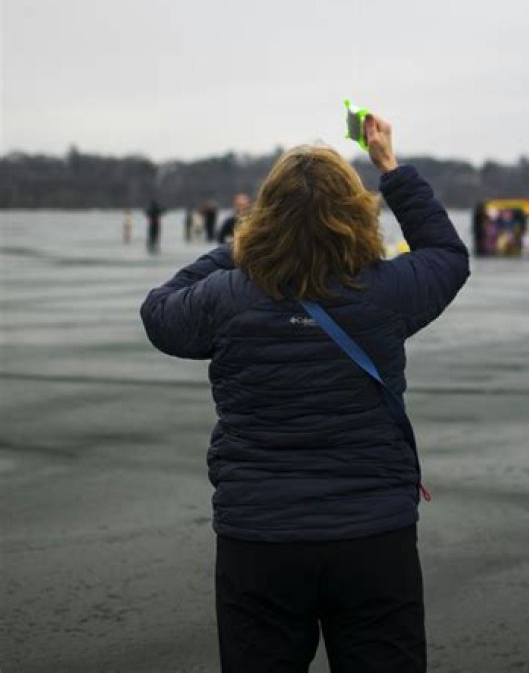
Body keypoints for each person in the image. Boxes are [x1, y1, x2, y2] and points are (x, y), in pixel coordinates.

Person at [140, 115, 469, 673]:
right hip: (374, 535)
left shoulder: (229, 298)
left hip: (260, 535)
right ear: (356, 215)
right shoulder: (385, 293)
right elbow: (446, 254)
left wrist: (245, 246)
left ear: (265, 217)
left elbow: (160, 311)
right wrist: (389, 166)